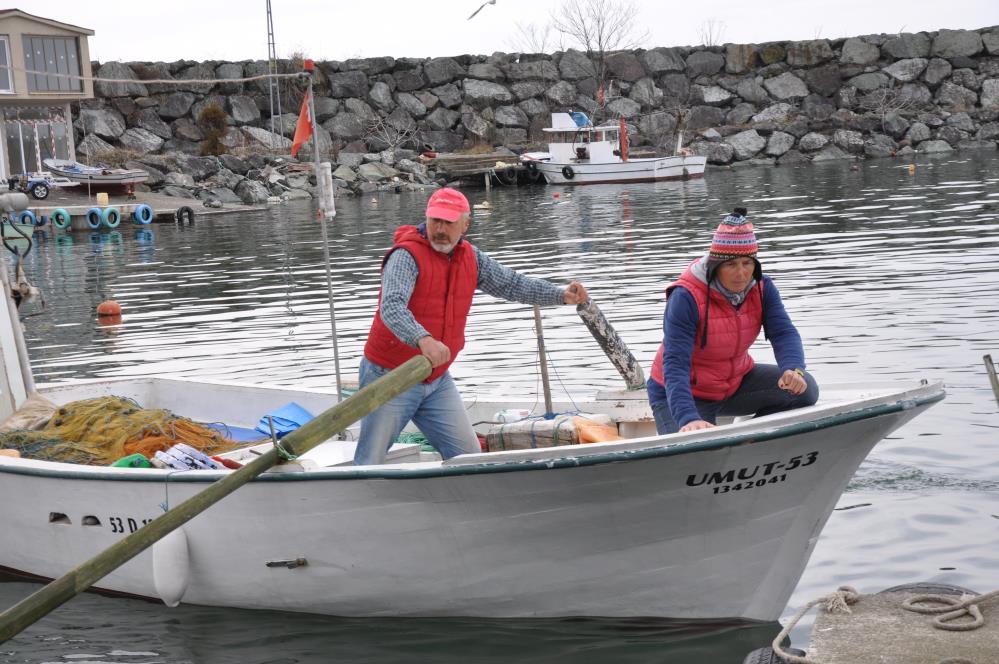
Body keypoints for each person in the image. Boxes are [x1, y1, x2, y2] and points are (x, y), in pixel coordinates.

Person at [354, 187, 589, 465]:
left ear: (465, 224)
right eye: (435, 221)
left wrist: (560, 295)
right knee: (369, 460)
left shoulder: (471, 257)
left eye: (448, 222)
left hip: (436, 378)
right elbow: (391, 306)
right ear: (426, 218)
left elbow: (512, 284)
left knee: (470, 458)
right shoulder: (406, 256)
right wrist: (423, 339)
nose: (440, 229)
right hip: (390, 375)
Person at [647, 207, 818, 434]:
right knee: (695, 442)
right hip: (684, 393)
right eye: (731, 264)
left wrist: (793, 369)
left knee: (805, 391)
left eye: (747, 263)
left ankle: (753, 437)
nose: (741, 273)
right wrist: (688, 418)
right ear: (715, 266)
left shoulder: (763, 287)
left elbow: (783, 332)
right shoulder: (685, 297)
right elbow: (675, 362)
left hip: (734, 383)